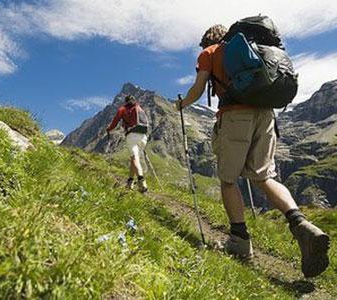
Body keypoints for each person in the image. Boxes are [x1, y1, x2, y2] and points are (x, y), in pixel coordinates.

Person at [176, 24, 330, 277]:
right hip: (267, 116)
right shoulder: (253, 49)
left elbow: (199, 87)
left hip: (236, 116)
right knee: (264, 176)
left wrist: (182, 104)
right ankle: (301, 223)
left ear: (206, 40)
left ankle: (239, 242)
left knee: (228, 180)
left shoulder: (210, 53)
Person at [107, 95, 148, 193]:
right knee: (133, 159)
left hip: (131, 136)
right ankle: (130, 183)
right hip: (143, 136)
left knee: (135, 159)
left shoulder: (123, 109)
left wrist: (108, 129)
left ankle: (141, 182)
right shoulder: (139, 108)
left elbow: (115, 122)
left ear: (125, 101)